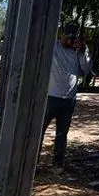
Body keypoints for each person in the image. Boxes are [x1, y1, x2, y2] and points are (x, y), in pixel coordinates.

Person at [41, 23, 92, 167]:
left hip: (69, 100)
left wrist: (82, 51)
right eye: (67, 35)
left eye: (73, 36)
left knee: (62, 133)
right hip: (50, 97)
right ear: (61, 34)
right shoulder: (54, 47)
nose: (70, 40)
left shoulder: (80, 50)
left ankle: (58, 163)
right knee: (40, 130)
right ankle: (33, 160)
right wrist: (61, 41)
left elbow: (86, 69)